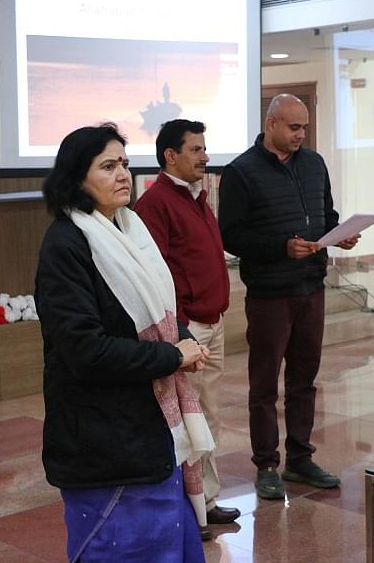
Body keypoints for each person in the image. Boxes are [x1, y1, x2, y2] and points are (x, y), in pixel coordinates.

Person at [36, 122, 214, 561]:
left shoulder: (131, 229)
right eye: (107, 166)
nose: (122, 175)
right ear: (77, 177)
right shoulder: (66, 244)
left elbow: (157, 309)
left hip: (149, 429)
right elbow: (86, 351)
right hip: (103, 439)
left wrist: (185, 343)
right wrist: (171, 356)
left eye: (125, 164)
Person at [218, 94, 359, 500]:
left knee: (304, 380)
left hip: (311, 287)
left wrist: (339, 234)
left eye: (305, 128)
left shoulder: (313, 164)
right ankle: (266, 464)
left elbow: (326, 215)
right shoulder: (241, 172)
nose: (301, 135)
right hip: (270, 294)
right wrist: (281, 248)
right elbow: (231, 236)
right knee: (264, 384)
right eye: (294, 127)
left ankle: (300, 458)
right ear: (271, 124)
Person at [134, 119, 240, 538]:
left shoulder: (198, 195)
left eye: (204, 148)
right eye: (196, 149)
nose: (205, 157)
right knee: (185, 425)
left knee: (208, 417)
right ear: (170, 156)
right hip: (187, 328)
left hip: (213, 321)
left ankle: (206, 501)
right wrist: (180, 331)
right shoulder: (155, 204)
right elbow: (155, 275)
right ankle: (186, 511)